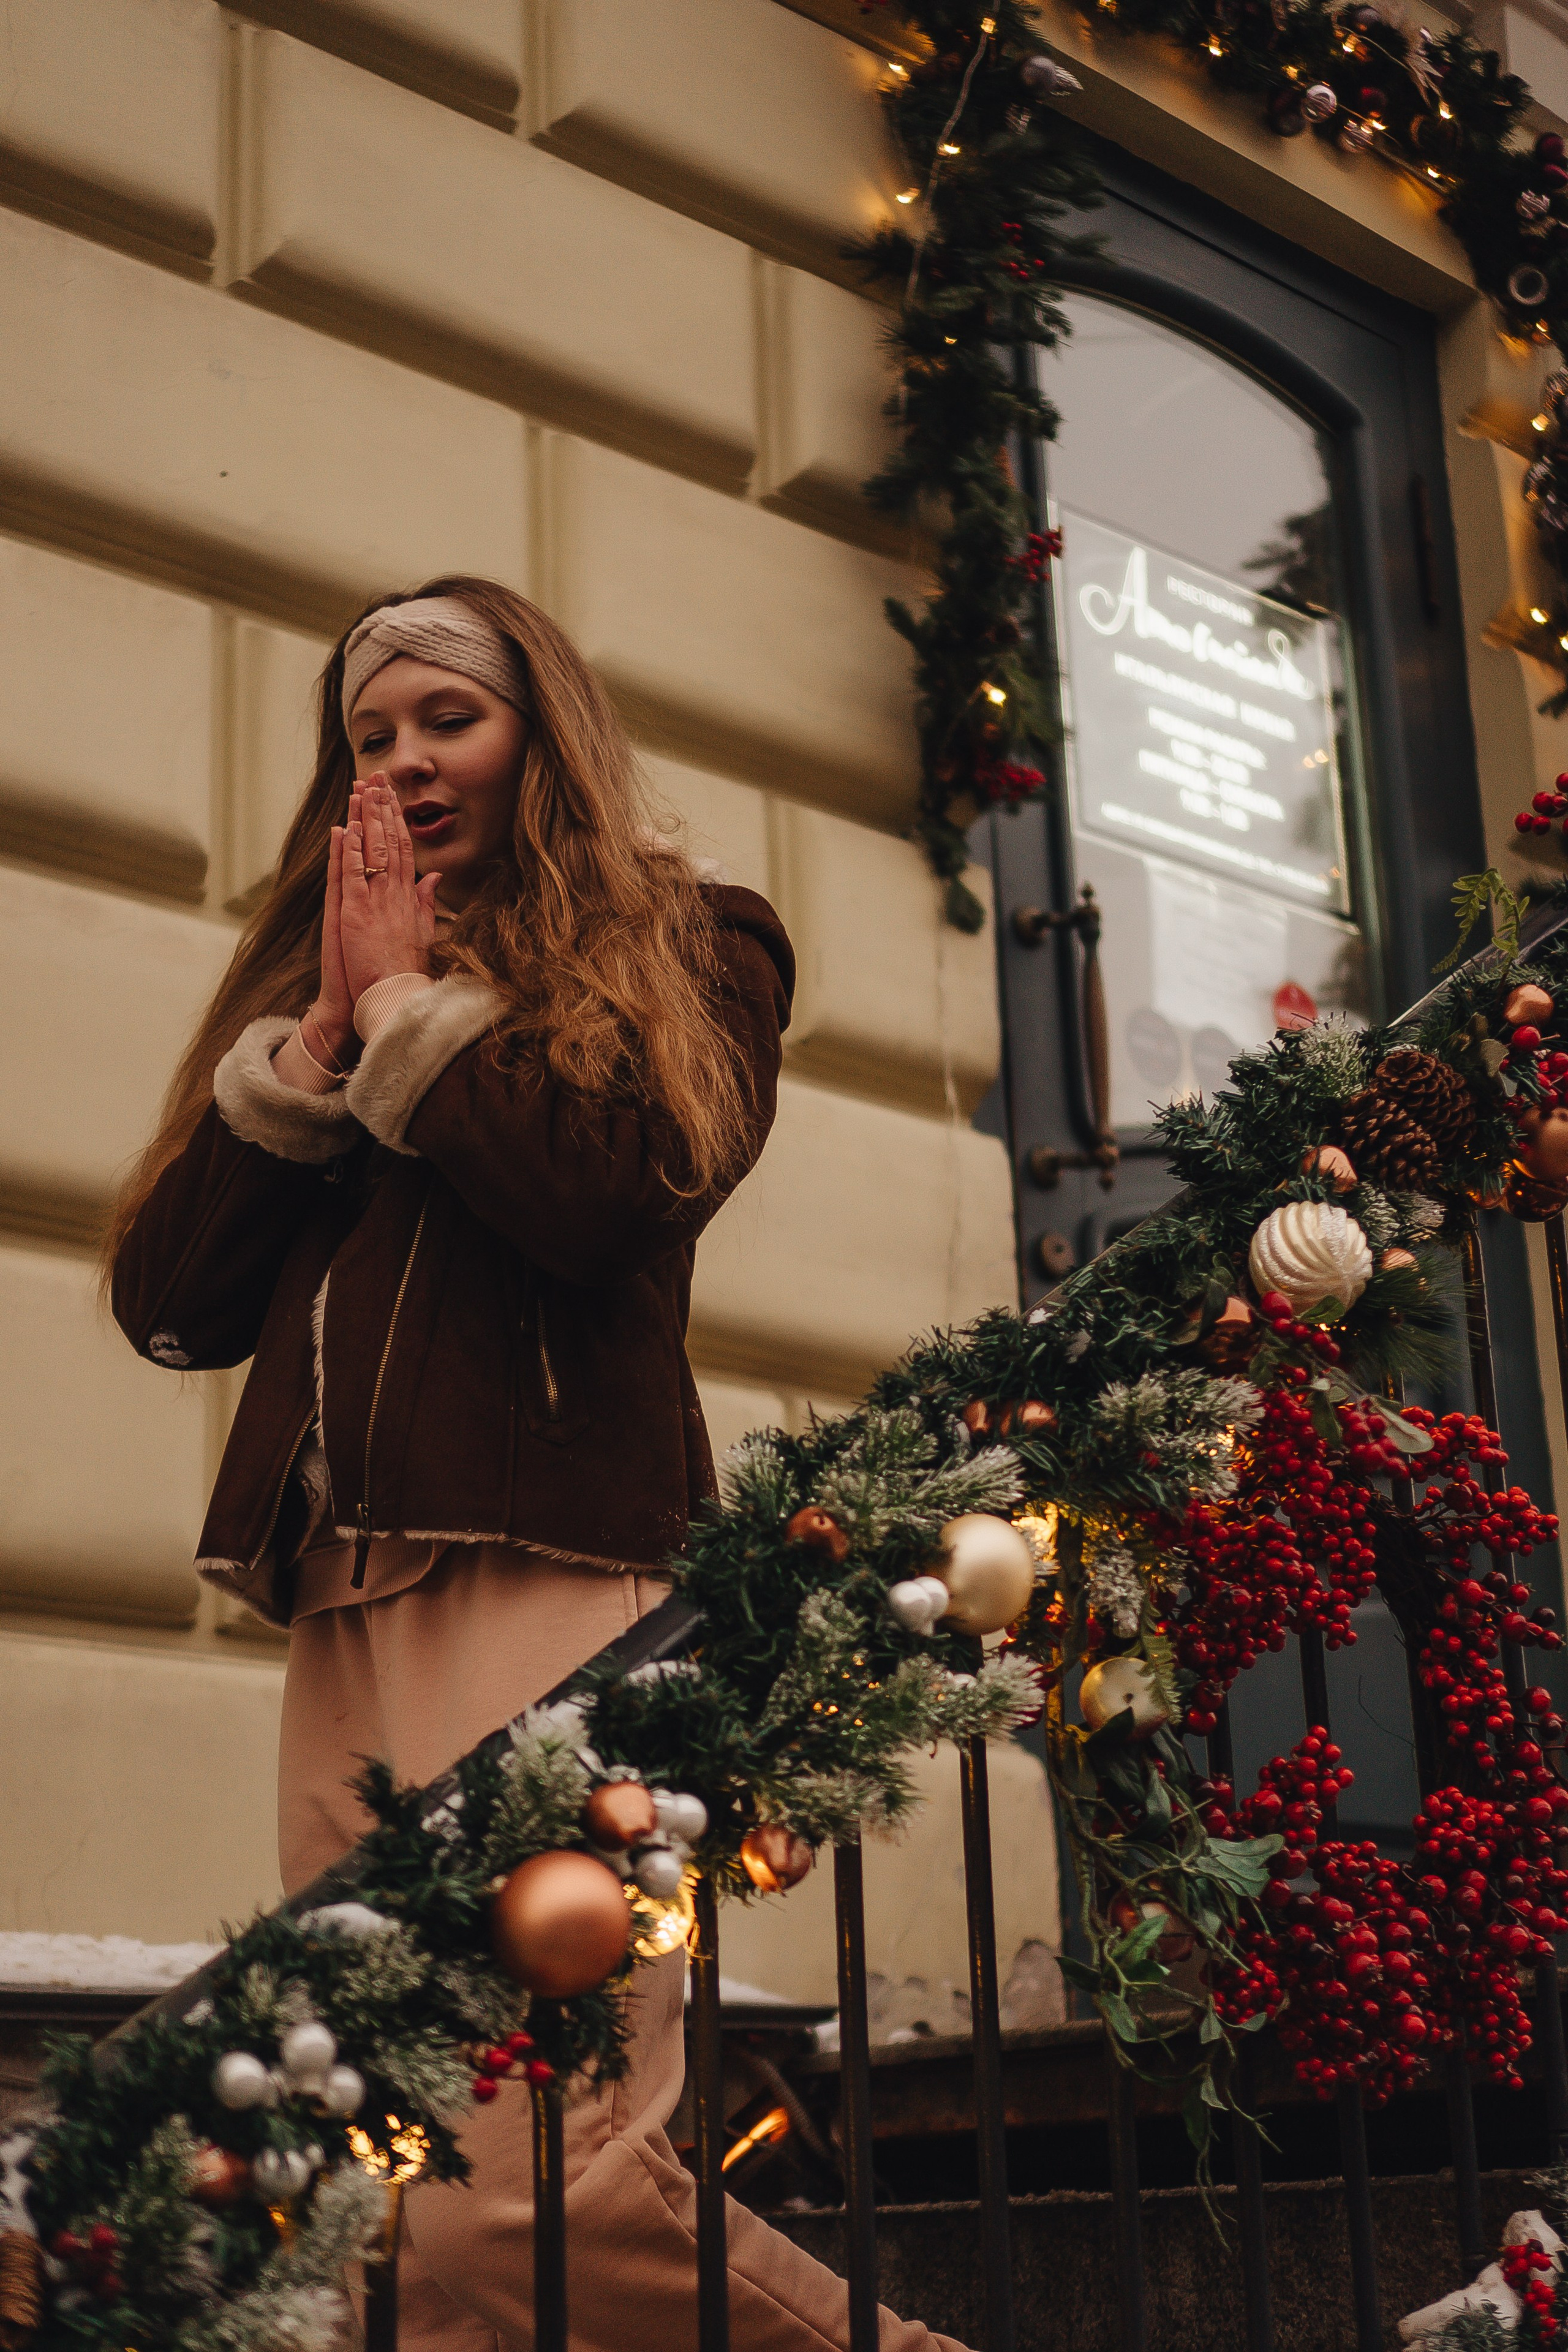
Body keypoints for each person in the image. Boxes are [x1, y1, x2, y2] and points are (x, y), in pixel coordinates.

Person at [107, 579, 965, 2352]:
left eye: (448, 720)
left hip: (564, 1585)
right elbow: (175, 1301)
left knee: (543, 2175)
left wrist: (421, 1011)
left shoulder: (703, 942)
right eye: (371, 736)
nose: (406, 761)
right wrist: (322, 1050)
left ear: (539, 737)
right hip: (344, 1597)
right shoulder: (324, 987)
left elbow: (610, 1198)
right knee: (396, 2193)